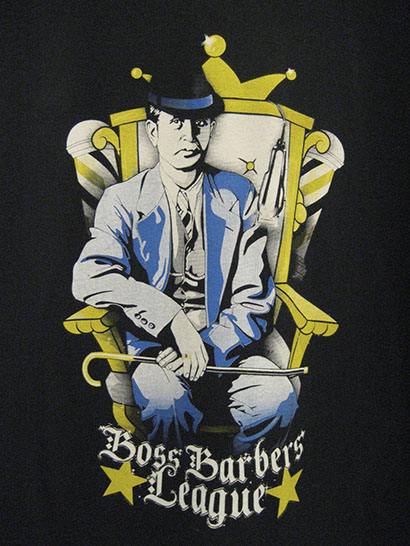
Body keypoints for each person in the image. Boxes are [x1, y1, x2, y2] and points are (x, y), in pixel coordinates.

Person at [72, 68, 298, 453]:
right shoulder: (122, 200)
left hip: (228, 352)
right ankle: (172, 484)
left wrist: (206, 347)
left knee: (277, 397)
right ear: (153, 131)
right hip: (157, 353)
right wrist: (172, 319)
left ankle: (230, 477)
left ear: (211, 129)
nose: (189, 137)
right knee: (165, 401)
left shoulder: (238, 193)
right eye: (176, 123)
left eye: (200, 124)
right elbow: (89, 277)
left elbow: (254, 301)